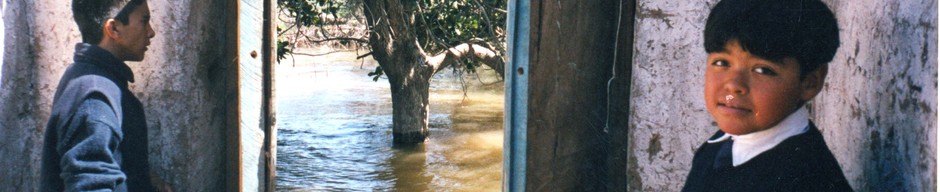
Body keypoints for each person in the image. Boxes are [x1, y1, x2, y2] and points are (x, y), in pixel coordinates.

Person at [682, 0, 852, 191]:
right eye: (722, 63)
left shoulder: (807, 179)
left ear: (810, 82)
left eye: (762, 70)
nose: (733, 85)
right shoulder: (716, 149)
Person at [40, 0, 169, 191]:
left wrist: (140, 178)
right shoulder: (94, 96)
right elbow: (90, 184)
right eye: (144, 21)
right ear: (113, 28)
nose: (151, 32)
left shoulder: (89, 77)